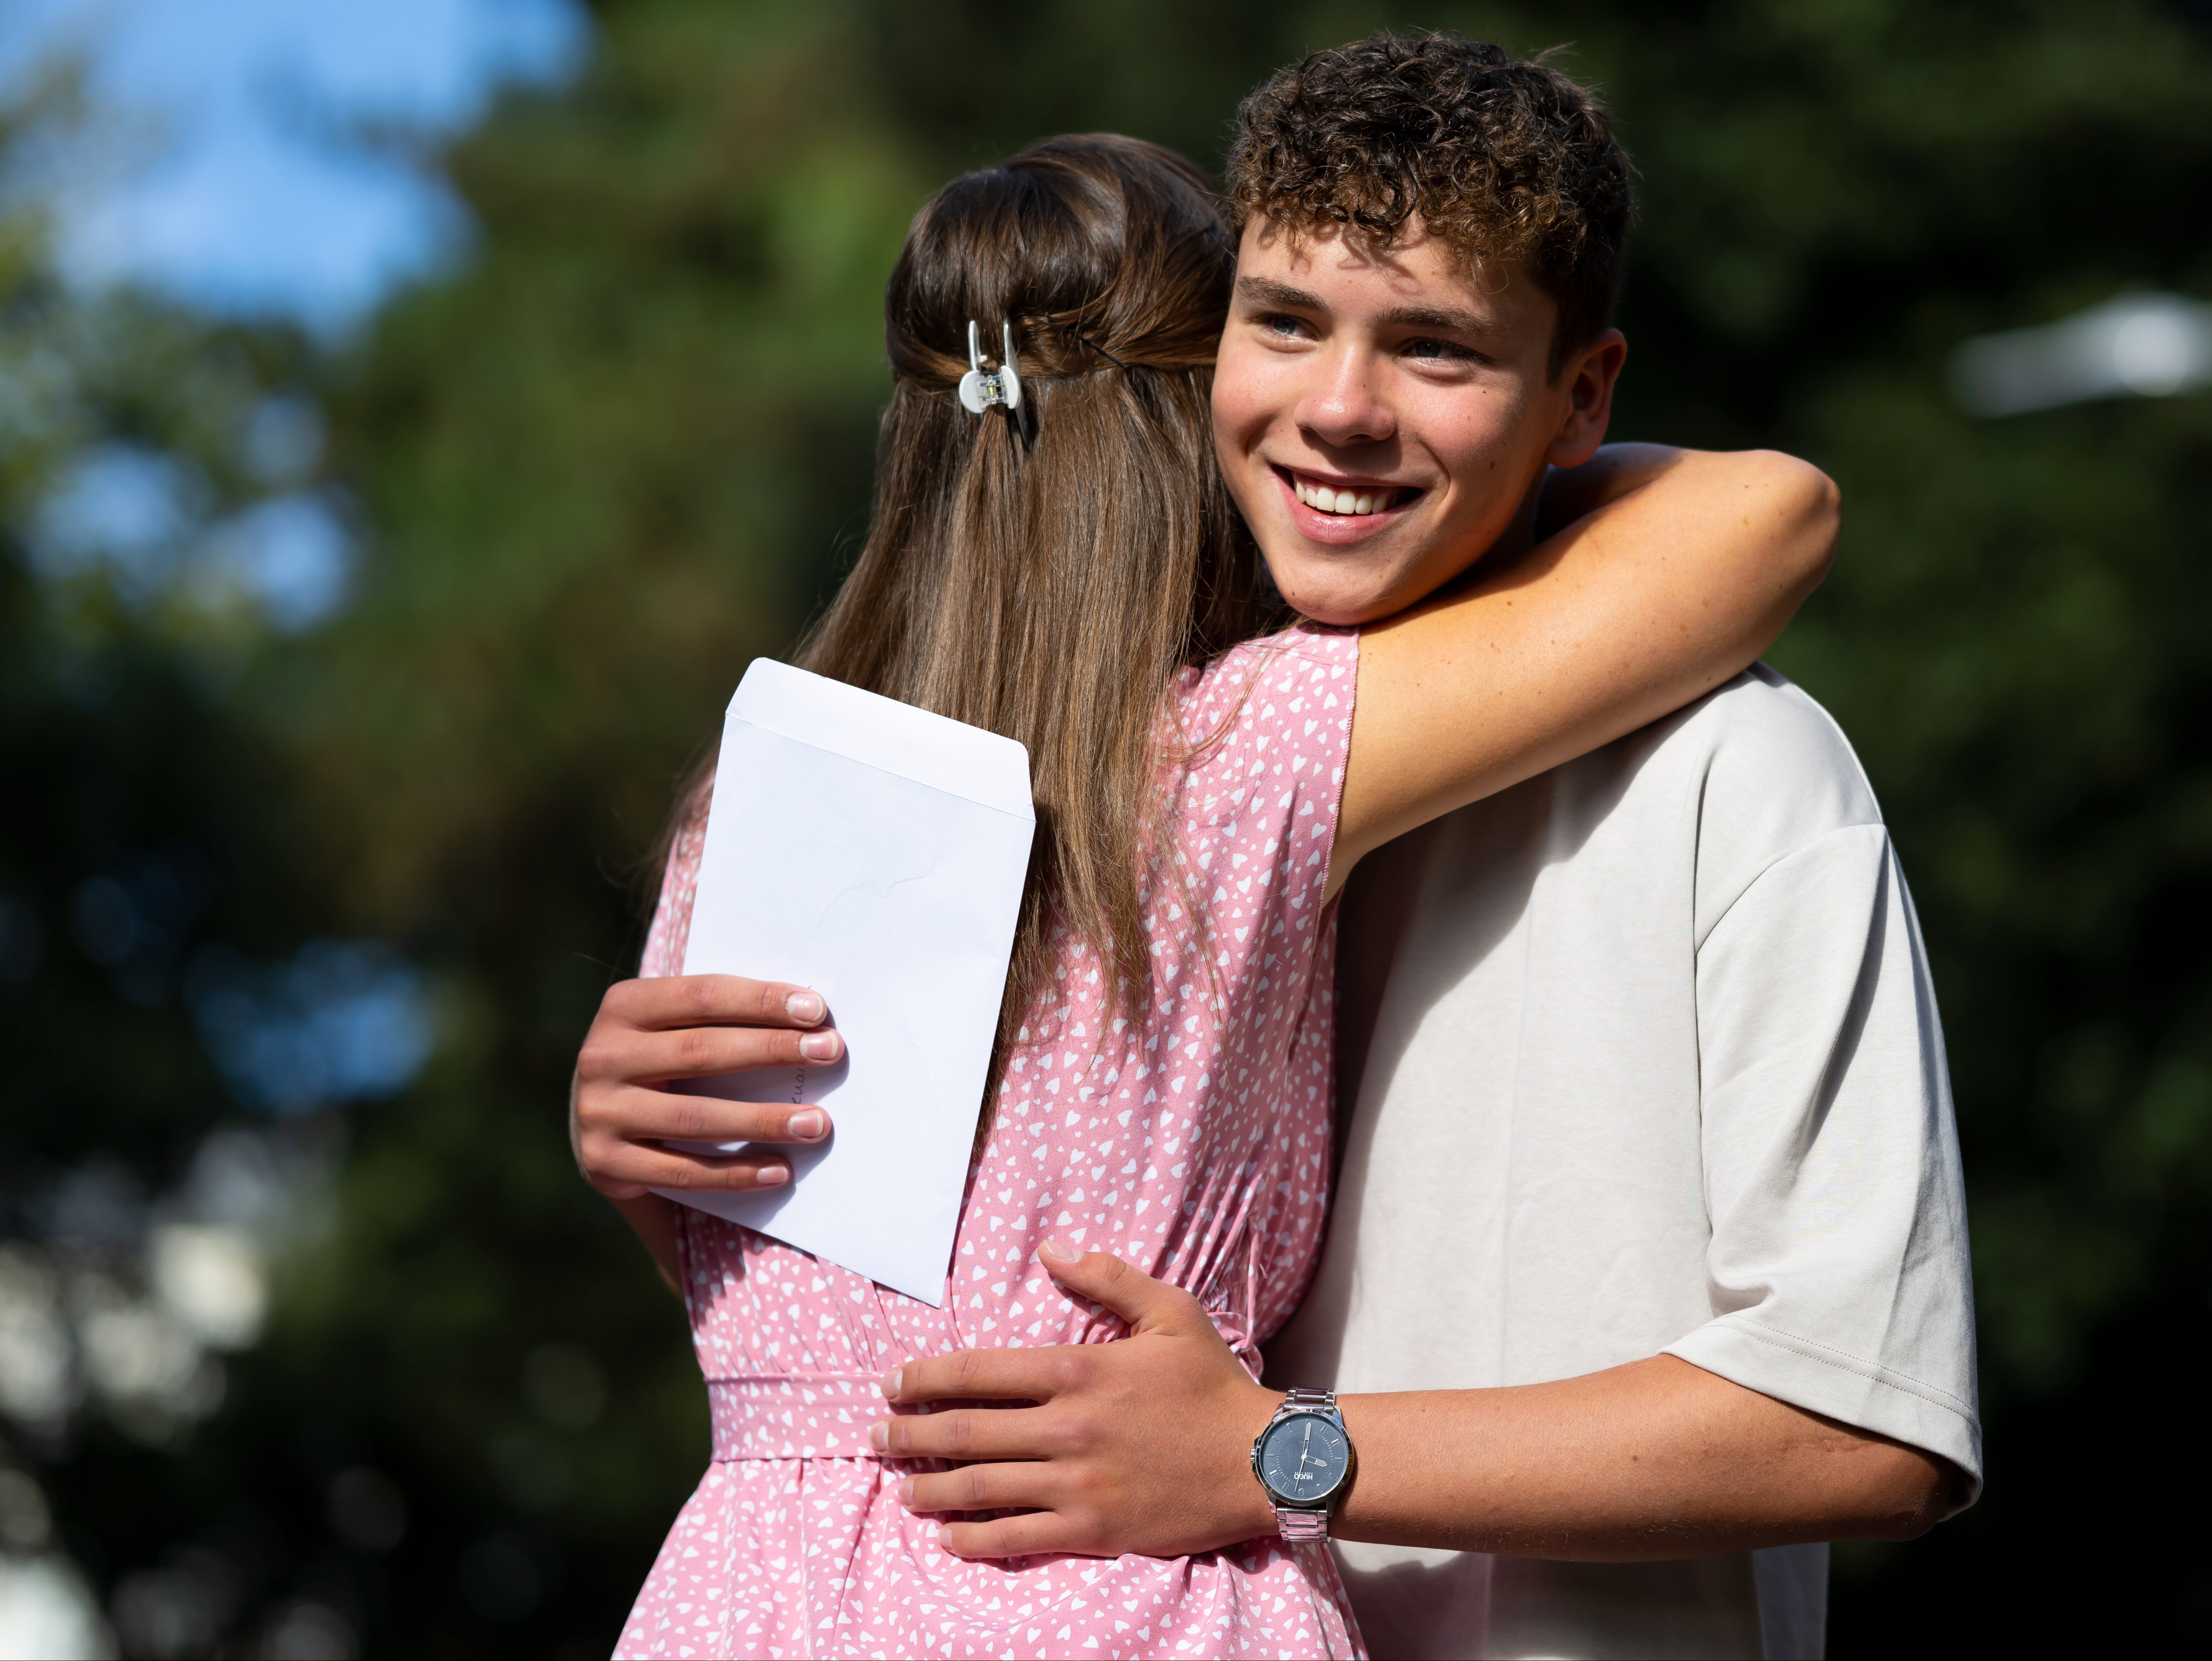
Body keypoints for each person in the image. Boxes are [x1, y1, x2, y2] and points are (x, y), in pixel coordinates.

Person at [572, 115, 1831, 1661]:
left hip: (750, 1598)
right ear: (1199, 418)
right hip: (1124, 1595)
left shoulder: (752, 810)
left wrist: (627, 1168)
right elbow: (1773, 514)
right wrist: (1506, 448)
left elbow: (769, 1280)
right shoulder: (1247, 748)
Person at [862, 36, 1979, 1661]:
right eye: (1287, 322)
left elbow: (1865, 1419)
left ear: (1583, 394)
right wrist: (633, 1140)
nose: (1342, 411)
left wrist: (1270, 1456)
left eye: (1439, 351)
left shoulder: (1741, 773)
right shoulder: (1145, 777)